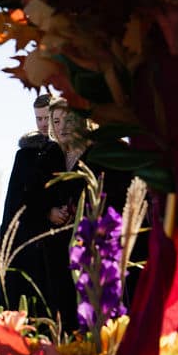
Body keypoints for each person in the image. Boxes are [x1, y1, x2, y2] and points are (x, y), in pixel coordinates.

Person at [33, 98, 133, 331]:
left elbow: (117, 196)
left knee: (98, 315)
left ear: (84, 121)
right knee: (66, 318)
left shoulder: (100, 153)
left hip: (95, 249)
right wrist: (49, 211)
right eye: (56, 121)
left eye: (69, 119)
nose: (62, 126)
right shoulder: (49, 156)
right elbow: (34, 196)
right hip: (58, 253)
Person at [0, 94, 59, 310]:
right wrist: (46, 212)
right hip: (28, 240)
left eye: (47, 118)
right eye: (38, 118)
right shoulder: (26, 155)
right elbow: (17, 202)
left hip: (58, 239)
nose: (43, 124)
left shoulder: (67, 151)